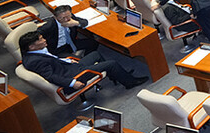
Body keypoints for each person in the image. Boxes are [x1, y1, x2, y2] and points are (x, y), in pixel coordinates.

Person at [19, 29, 147, 91]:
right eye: (41, 39)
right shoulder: (35, 61)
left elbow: (53, 61)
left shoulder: (32, 53)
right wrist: (72, 83)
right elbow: (50, 76)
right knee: (111, 64)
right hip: (74, 75)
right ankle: (129, 82)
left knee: (96, 54)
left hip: (69, 67)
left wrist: (68, 61)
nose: (44, 40)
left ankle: (116, 76)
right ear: (31, 46)